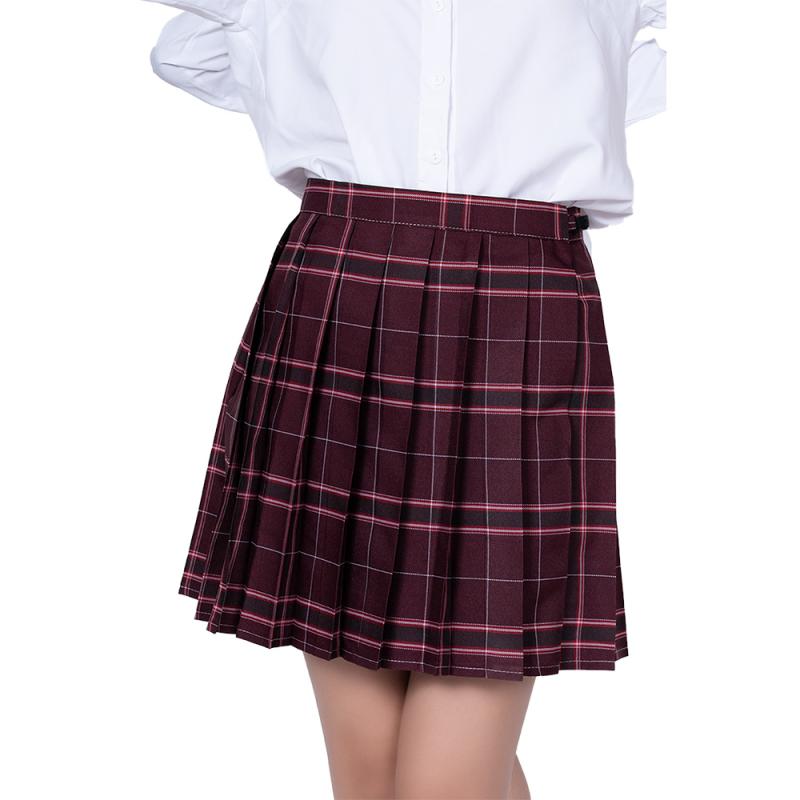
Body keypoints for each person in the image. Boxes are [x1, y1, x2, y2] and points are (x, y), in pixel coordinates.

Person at [143, 1, 666, 797]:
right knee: (372, 774)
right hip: (344, 302)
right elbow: (191, 54)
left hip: (515, 310)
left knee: (441, 781)